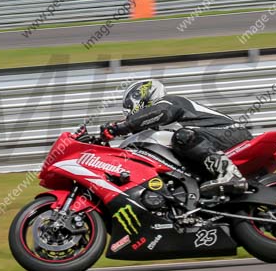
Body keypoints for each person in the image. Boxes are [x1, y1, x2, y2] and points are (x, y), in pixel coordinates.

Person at [99, 79, 252, 194]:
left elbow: (162, 112)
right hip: (213, 141)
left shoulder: (170, 102)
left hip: (229, 133)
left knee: (182, 136)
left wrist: (120, 127)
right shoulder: (161, 124)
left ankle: (229, 174)